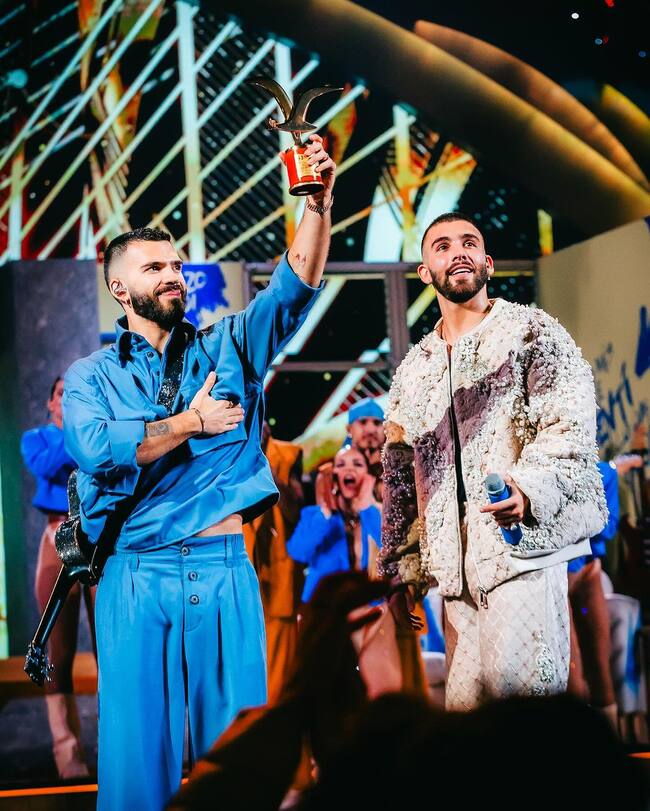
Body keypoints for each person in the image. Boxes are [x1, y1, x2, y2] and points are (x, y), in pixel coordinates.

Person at [62, 134, 335, 810]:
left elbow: (293, 289)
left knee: (239, 759)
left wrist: (318, 206)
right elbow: (97, 449)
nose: (173, 275)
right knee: (134, 767)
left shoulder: (230, 345)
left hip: (224, 568)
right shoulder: (90, 377)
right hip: (134, 572)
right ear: (120, 287)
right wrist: (190, 422)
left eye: (178, 265)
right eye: (155, 267)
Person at [380, 211, 607, 710]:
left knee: (525, 718)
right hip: (455, 579)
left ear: (488, 263)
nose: (457, 252)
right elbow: (400, 480)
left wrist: (528, 489)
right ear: (424, 272)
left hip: (520, 555)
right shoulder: (413, 372)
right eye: (442, 246)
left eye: (468, 242)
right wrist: (402, 570)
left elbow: (568, 428)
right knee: (468, 724)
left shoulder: (532, 333)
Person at [20, 376, 94, 779]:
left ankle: (120, 745)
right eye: (63, 394)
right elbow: (46, 465)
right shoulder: (35, 439)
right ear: (51, 403)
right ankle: (68, 758)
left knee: (110, 648)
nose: (69, 399)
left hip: (99, 536)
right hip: (56, 536)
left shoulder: (95, 428)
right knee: (58, 653)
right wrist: (83, 432)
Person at [242, 422, 305, 704]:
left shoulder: (287, 455)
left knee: (278, 682)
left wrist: (262, 460)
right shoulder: (224, 450)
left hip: (278, 578)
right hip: (239, 573)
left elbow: (295, 511)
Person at [287, 446, 381, 602]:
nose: (349, 469)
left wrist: (367, 506)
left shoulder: (378, 513)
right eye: (341, 464)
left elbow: (390, 549)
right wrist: (326, 512)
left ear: (368, 476)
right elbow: (298, 551)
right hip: (325, 608)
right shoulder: (316, 515)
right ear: (333, 476)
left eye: (357, 464)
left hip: (368, 607)